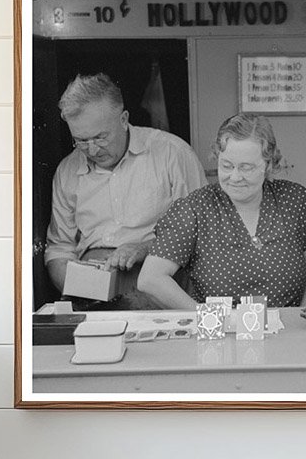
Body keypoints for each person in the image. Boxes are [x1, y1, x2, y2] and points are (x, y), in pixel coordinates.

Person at [138, 113, 306, 309]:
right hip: (219, 327)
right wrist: (206, 317)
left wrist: (302, 316)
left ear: (268, 164)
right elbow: (151, 279)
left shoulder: (293, 200)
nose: (234, 177)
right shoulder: (195, 209)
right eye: (227, 166)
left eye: (246, 168)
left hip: (286, 325)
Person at [44, 72, 206, 309]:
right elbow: (60, 249)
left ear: (123, 119)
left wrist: (145, 249)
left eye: (100, 137)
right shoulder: (67, 170)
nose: (92, 150)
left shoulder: (172, 154)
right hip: (91, 291)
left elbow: (202, 231)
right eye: (81, 140)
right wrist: (78, 288)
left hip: (161, 283)